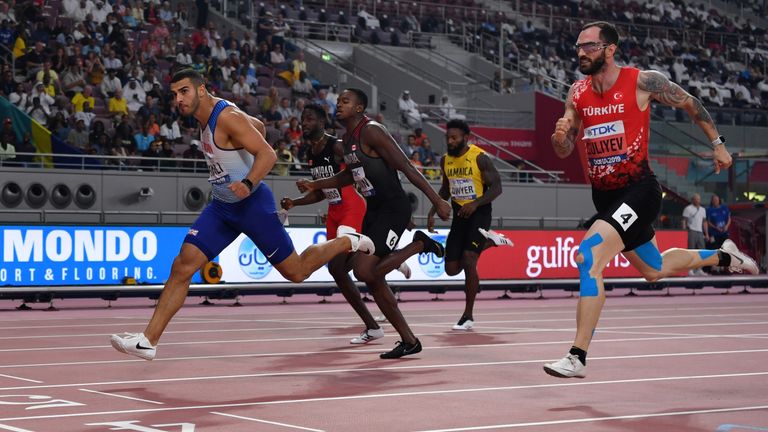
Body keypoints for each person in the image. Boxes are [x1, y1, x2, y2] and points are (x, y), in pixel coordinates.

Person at [110, 70, 375, 361]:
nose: (178, 99)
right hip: (222, 207)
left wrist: (248, 182)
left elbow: (268, 154)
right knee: (182, 266)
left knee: (296, 272)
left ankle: (347, 241)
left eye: (184, 91)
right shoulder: (212, 117)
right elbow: (258, 126)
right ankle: (148, 341)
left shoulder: (226, 117)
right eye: (174, 94)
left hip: (251, 205)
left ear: (200, 90)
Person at [544, 22, 759, 379]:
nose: (581, 53)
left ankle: (577, 356)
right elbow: (565, 148)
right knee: (654, 270)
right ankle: (726, 255)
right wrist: (560, 137)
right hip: (607, 198)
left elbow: (691, 104)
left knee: (588, 255)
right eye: (578, 47)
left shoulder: (643, 81)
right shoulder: (577, 92)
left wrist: (718, 144)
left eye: (590, 46)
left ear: (610, 49)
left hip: (640, 191)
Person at [298, 88, 452, 359]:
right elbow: (349, 177)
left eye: (345, 101)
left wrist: (436, 201)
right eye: (338, 101)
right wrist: (316, 184)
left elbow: (406, 165)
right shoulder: (347, 140)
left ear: (359, 108)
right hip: (374, 210)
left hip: (393, 208)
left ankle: (419, 244)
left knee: (365, 272)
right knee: (344, 267)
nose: (339, 104)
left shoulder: (372, 131)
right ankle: (408, 340)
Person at [281, 104, 410, 345]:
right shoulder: (312, 152)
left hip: (353, 207)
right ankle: (373, 323)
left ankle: (382, 258)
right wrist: (295, 202)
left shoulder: (337, 146)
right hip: (334, 213)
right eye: (302, 119)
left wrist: (385, 198)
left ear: (322, 123)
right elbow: (321, 192)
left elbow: (364, 170)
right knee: (337, 270)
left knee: (343, 266)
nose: (303, 123)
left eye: (309, 119)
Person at [428, 119, 513, 331]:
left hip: (479, 213)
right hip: (460, 215)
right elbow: (446, 188)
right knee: (450, 269)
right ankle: (491, 242)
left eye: (454, 138)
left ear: (466, 138)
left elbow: (497, 188)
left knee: (469, 260)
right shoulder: (445, 160)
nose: (450, 141)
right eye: (448, 138)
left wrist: (475, 204)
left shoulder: (480, 158)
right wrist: (432, 210)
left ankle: (467, 316)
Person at [682, 193, 709, 276]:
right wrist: (684, 231)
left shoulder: (703, 210)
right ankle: (690, 270)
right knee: (691, 251)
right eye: (696, 199)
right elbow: (684, 220)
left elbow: (704, 222)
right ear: (692, 200)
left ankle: (699, 269)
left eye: (699, 199)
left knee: (701, 251)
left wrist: (706, 233)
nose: (697, 200)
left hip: (700, 232)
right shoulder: (688, 208)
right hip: (691, 231)